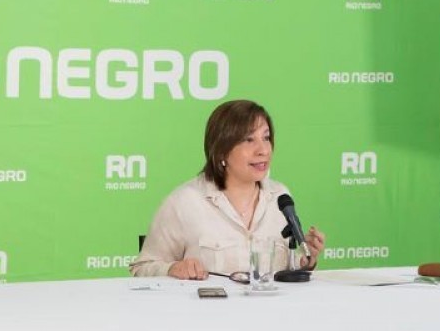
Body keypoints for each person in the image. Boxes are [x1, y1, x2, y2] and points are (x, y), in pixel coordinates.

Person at [130, 100, 326, 280]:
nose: (263, 150)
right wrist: (172, 269)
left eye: (266, 138)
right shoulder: (185, 201)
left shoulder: (280, 197)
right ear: (222, 150)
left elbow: (283, 273)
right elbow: (142, 268)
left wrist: (305, 260)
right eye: (249, 140)